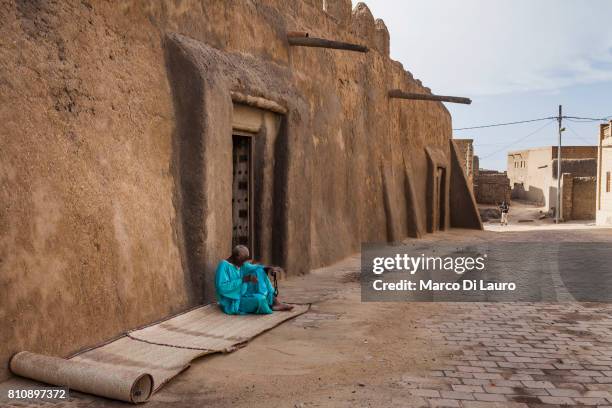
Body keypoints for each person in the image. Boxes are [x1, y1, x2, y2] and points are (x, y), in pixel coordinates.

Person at [214, 245, 294, 315]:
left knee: (259, 271)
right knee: (260, 300)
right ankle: (267, 301)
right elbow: (221, 288)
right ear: (236, 256)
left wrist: (268, 269)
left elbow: (255, 267)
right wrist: (243, 280)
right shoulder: (223, 266)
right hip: (233, 301)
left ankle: (274, 301)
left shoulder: (240, 263)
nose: (243, 263)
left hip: (242, 293)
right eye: (242, 261)